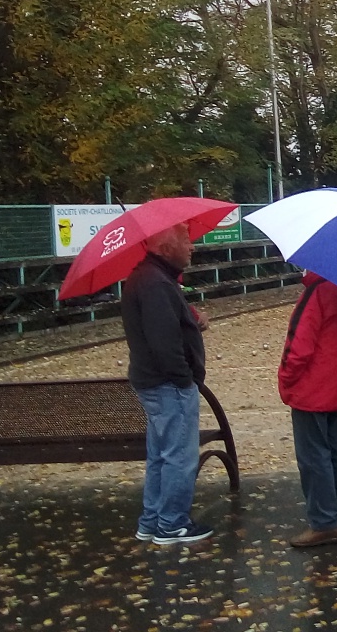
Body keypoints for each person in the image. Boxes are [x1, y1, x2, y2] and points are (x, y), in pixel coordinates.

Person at [121, 223, 213, 545]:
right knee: (179, 456)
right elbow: (164, 342)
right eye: (185, 239)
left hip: (154, 383)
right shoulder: (155, 283)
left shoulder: (150, 279)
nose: (192, 246)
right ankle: (172, 523)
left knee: (160, 455)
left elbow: (165, 327)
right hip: (168, 384)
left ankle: (152, 520)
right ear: (164, 245)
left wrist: (190, 320)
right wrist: (184, 380)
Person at [278, 271, 337, 546]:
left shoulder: (316, 292)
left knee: (314, 457)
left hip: (312, 390)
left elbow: (298, 346)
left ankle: (324, 522)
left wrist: (285, 380)